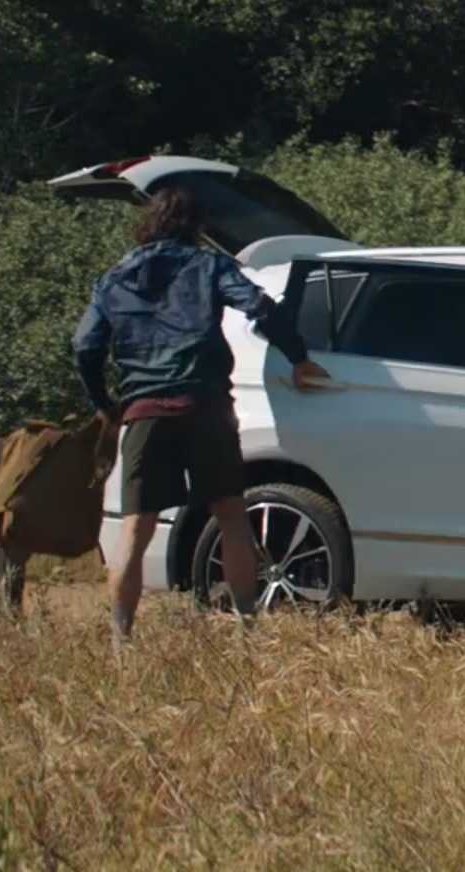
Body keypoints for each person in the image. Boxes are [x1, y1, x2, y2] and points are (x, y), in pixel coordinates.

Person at [72, 184, 329, 645]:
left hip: (145, 410)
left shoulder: (113, 278)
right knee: (231, 515)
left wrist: (104, 405)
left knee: (136, 526)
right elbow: (259, 306)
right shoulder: (208, 265)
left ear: (147, 223)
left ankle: (119, 640)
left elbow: (84, 346)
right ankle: (247, 626)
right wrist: (298, 356)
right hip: (206, 406)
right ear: (195, 227)